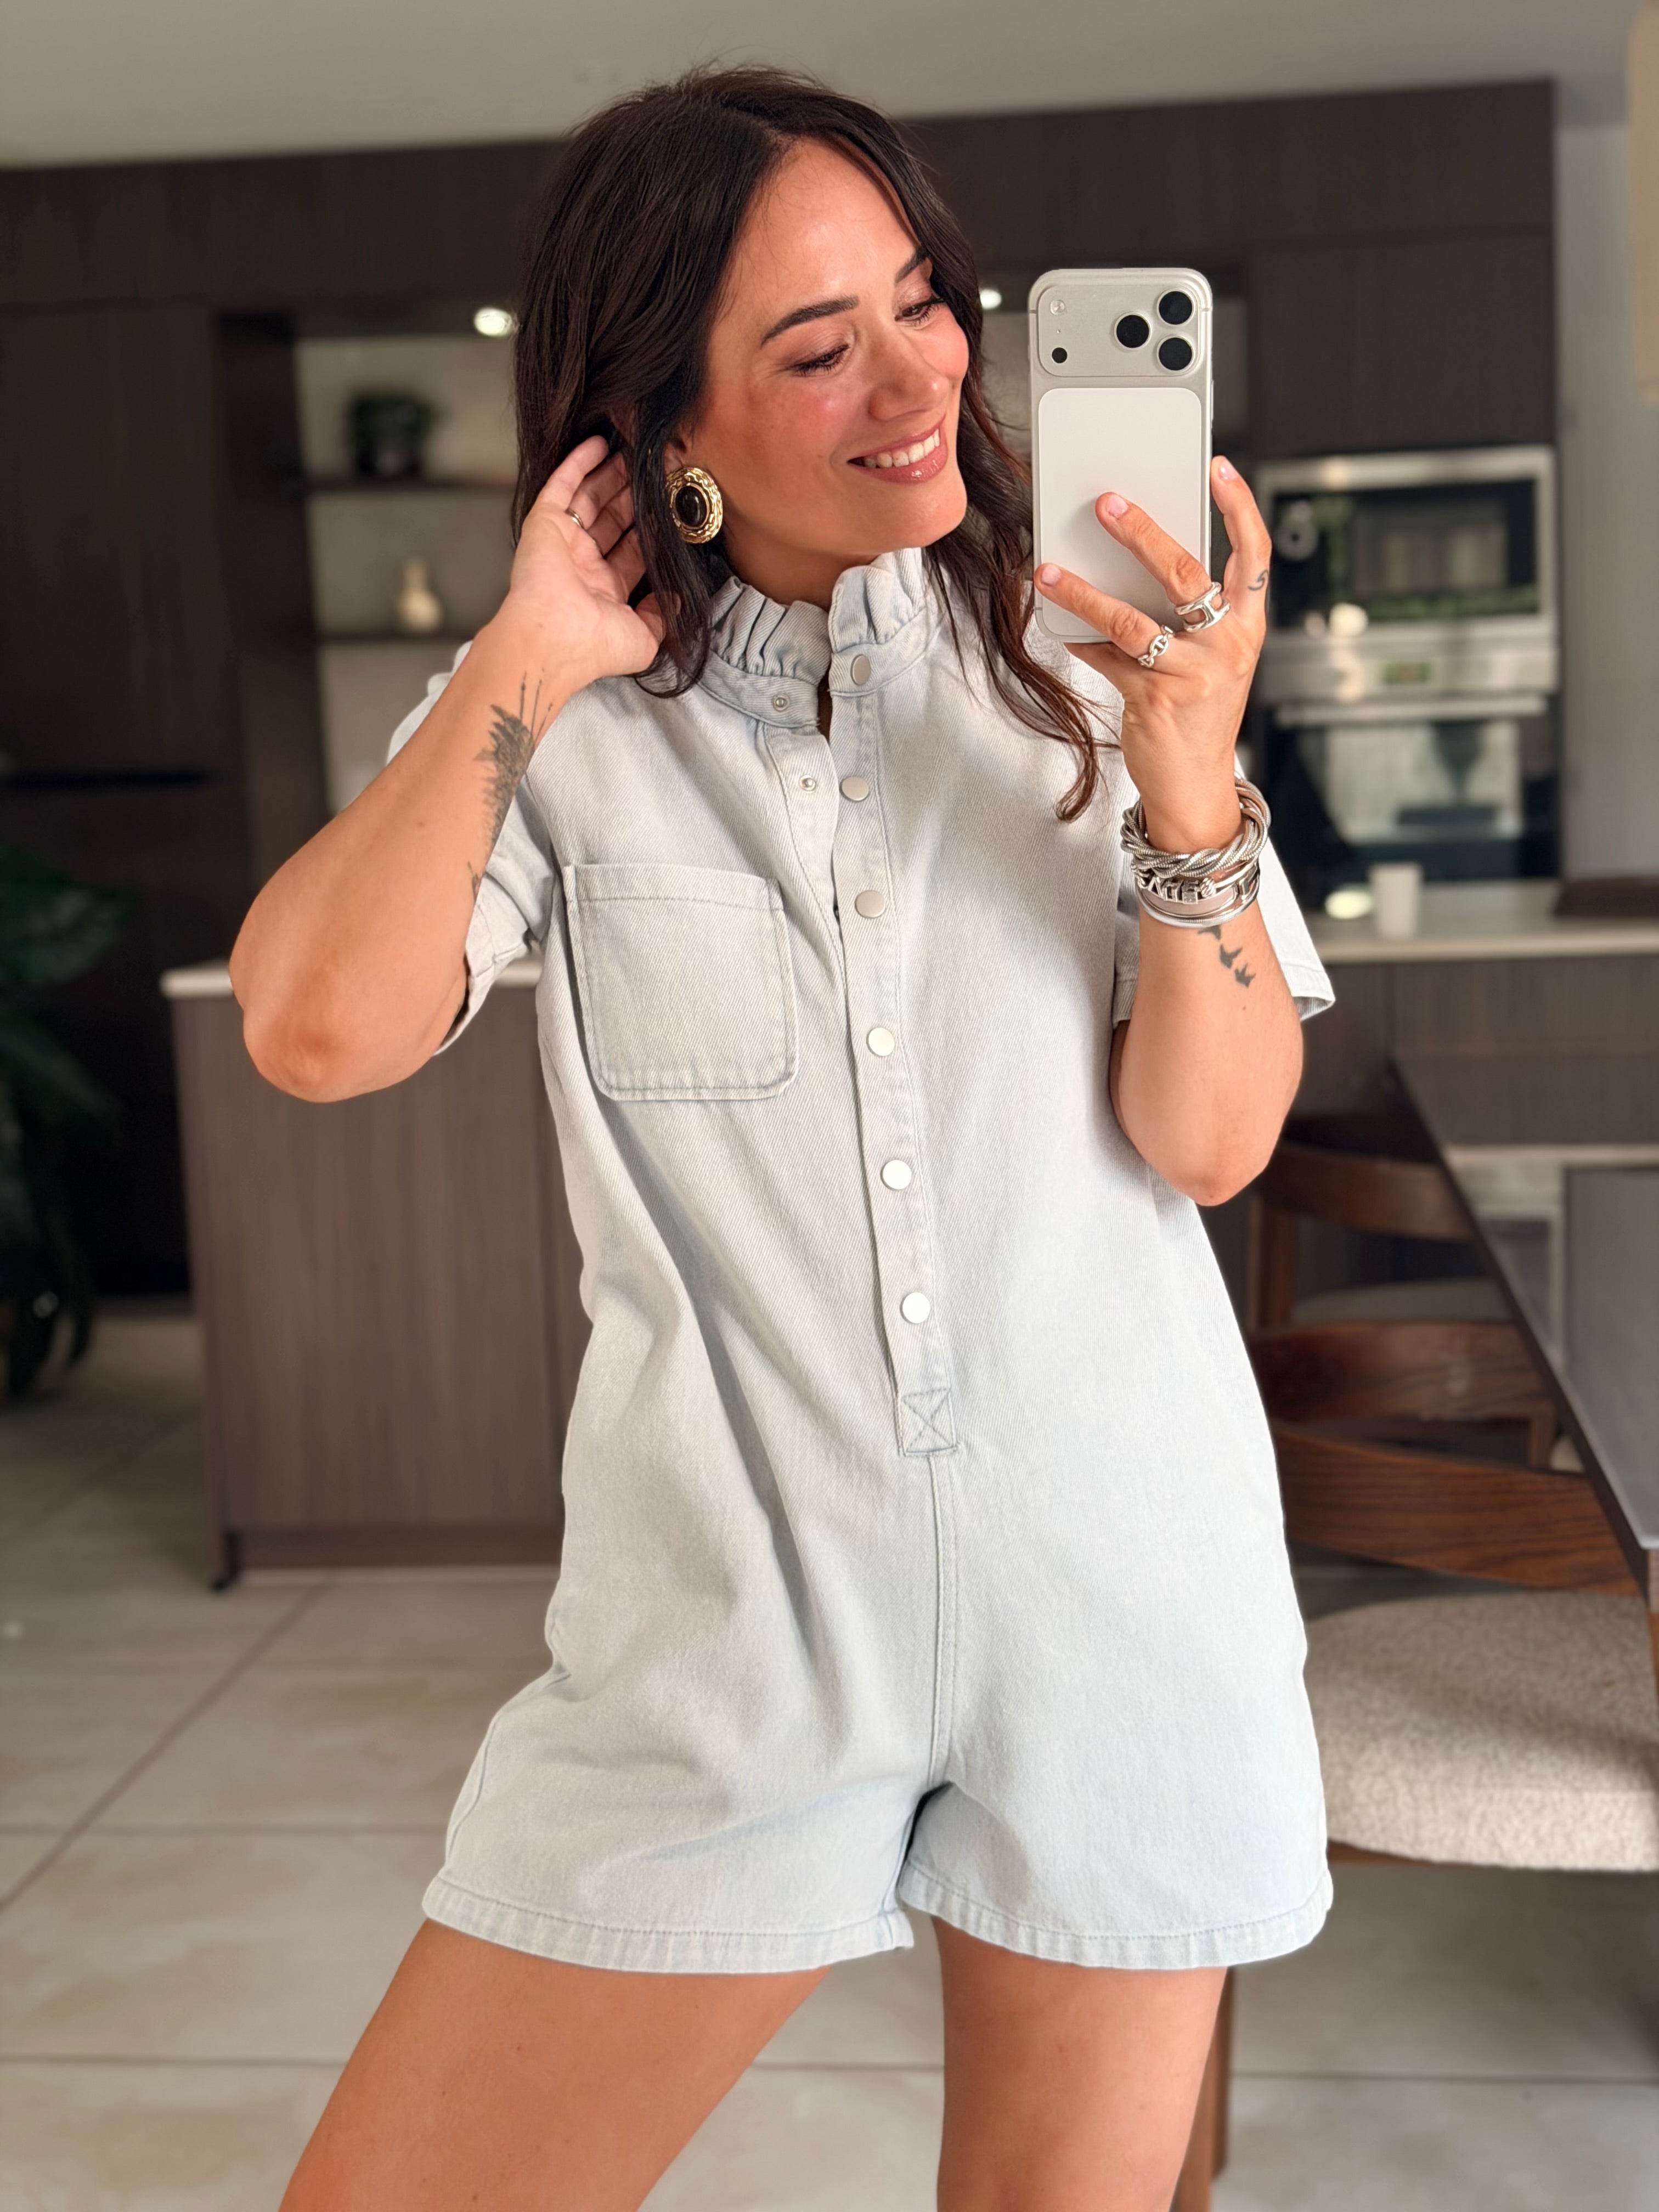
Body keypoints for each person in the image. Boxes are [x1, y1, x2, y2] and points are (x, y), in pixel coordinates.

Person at [236, 64, 1335, 2212]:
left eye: (925, 302)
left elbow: (1210, 1144)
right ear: (655, 423)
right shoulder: (559, 718)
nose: (919, 381)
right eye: (820, 349)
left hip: (1123, 1616)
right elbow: (314, 1029)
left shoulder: (1095, 669)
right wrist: (534, 650)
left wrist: (1189, 773)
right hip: (720, 1647)